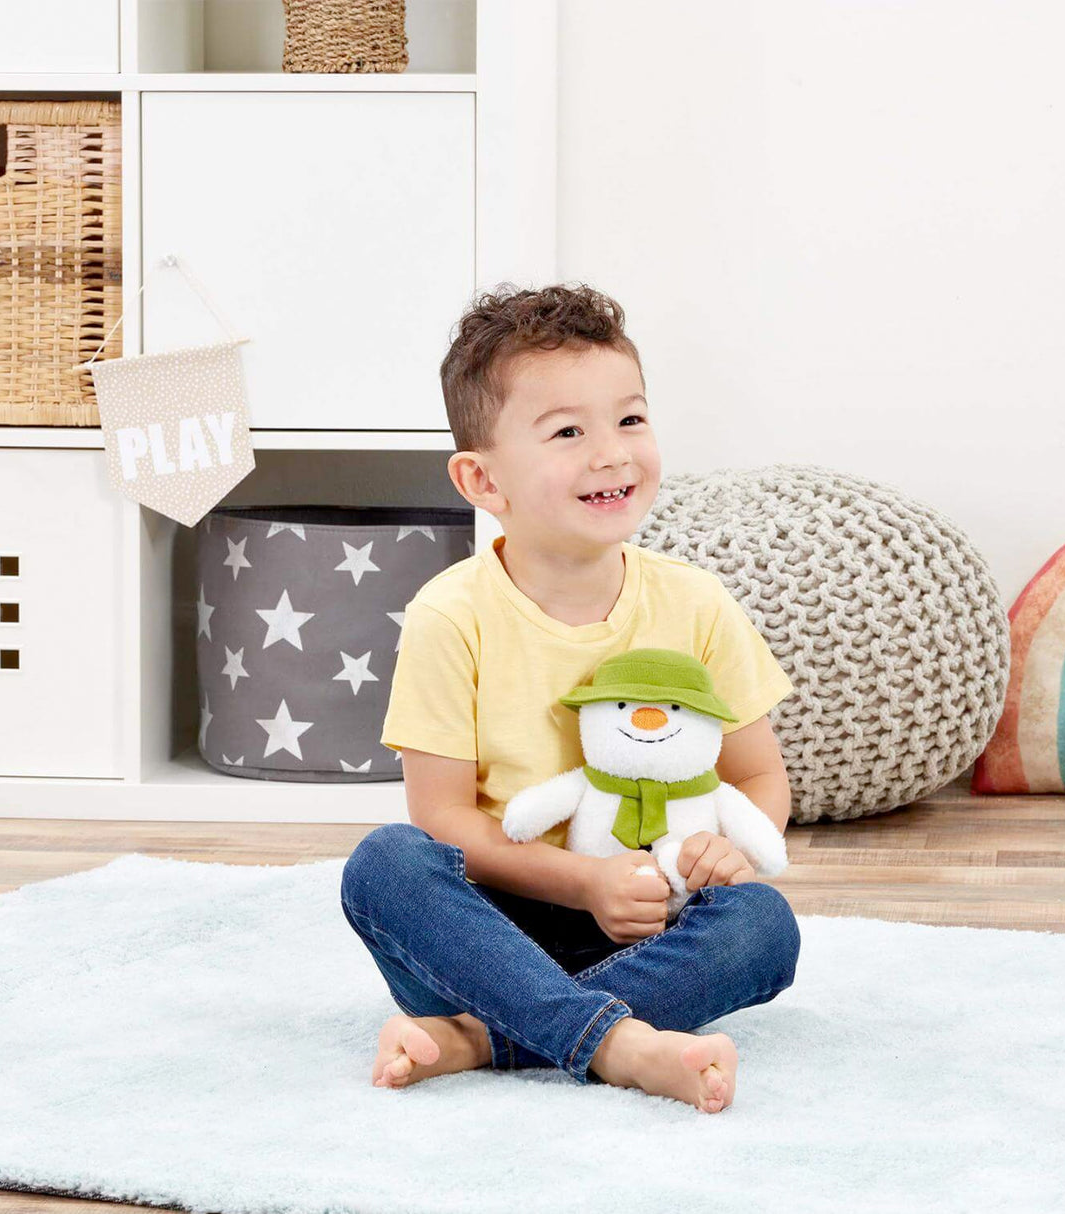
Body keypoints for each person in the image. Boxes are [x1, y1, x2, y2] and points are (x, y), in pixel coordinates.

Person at [340, 283, 801, 1113]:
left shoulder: (697, 603)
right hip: (487, 925)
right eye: (567, 432)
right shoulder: (452, 614)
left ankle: (482, 1038)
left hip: (649, 915)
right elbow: (443, 819)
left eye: (630, 419)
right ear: (482, 479)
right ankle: (623, 1046)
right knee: (386, 865)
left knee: (762, 926)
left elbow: (760, 778)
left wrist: (721, 857)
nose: (613, 454)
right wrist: (582, 882)